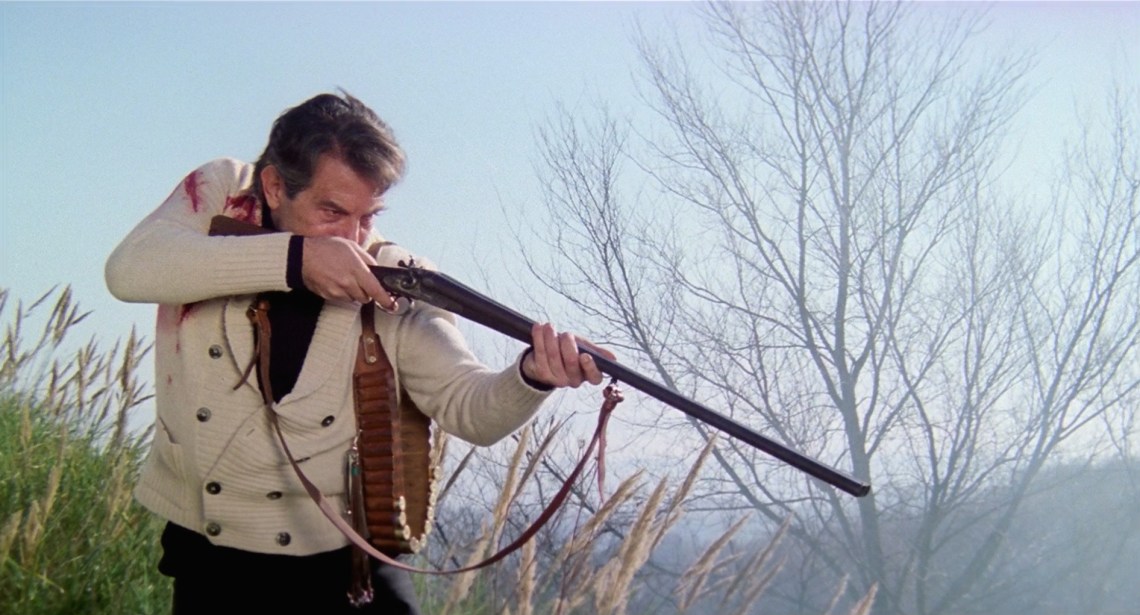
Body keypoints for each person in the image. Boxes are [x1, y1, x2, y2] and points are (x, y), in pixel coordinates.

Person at [105, 91, 611, 614]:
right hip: (211, 559)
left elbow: (470, 410)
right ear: (274, 187)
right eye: (332, 211)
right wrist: (298, 259)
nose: (352, 238)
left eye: (368, 216)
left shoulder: (395, 273)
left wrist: (533, 374)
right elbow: (129, 270)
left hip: (345, 560)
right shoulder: (223, 194)